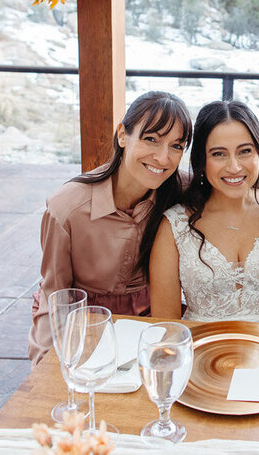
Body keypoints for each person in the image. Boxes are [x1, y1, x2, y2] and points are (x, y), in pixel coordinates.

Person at [28, 91, 193, 366]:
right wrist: (49, 361)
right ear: (122, 135)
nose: (163, 158)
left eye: (176, 146)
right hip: (84, 321)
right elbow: (54, 294)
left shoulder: (182, 191)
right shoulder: (66, 207)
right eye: (151, 139)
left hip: (153, 317)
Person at [150, 100, 259, 329]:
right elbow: (166, 324)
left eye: (245, 151)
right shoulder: (174, 226)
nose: (234, 167)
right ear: (201, 161)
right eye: (219, 154)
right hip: (203, 352)